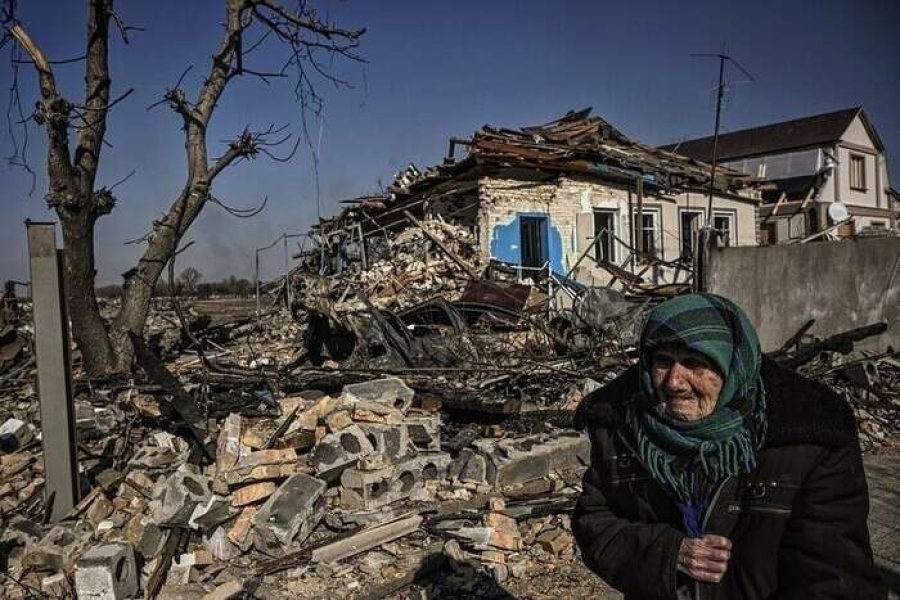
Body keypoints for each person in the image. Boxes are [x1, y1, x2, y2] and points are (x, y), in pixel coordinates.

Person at [572, 293, 887, 599]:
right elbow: (595, 522)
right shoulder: (623, 428)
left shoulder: (810, 436)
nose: (674, 382)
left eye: (695, 362)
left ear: (732, 364)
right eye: (663, 361)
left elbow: (835, 577)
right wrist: (666, 553)